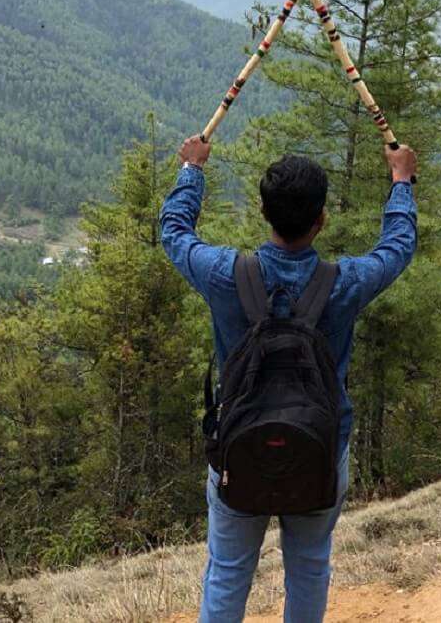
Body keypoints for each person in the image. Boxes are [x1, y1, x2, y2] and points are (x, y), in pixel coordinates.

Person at [160, 135, 418, 623]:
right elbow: (397, 247)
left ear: (263, 211)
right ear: (321, 219)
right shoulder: (345, 284)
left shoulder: (224, 276)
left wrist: (192, 169)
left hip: (238, 451)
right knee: (309, 566)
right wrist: (400, 181)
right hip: (319, 449)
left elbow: (174, 231)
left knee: (228, 572)